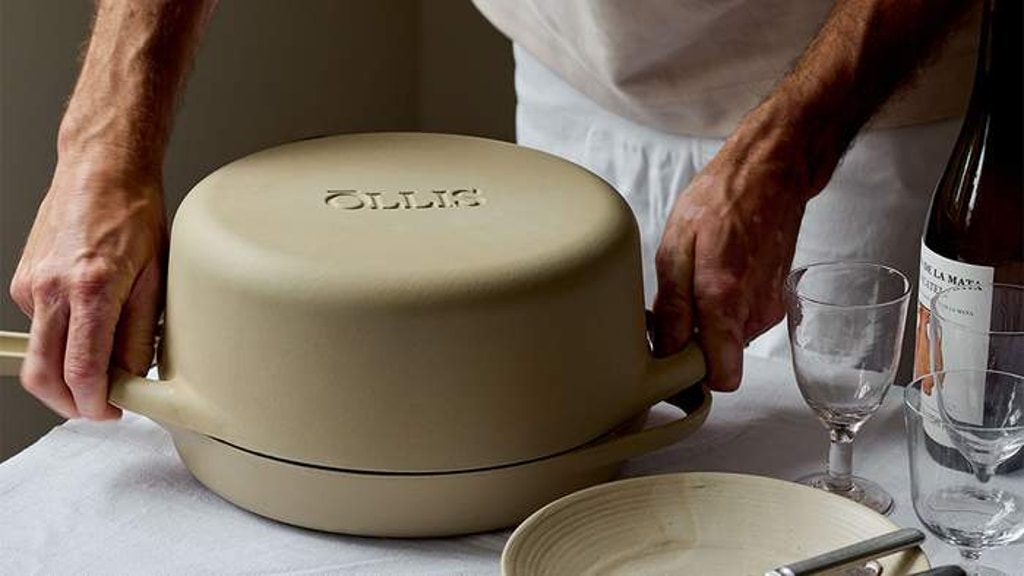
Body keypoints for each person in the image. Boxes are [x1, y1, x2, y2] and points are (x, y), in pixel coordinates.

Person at [9, 0, 978, 421]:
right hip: (573, 76)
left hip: (866, 119)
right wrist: (101, 147)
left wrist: (788, 154)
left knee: (837, 468)